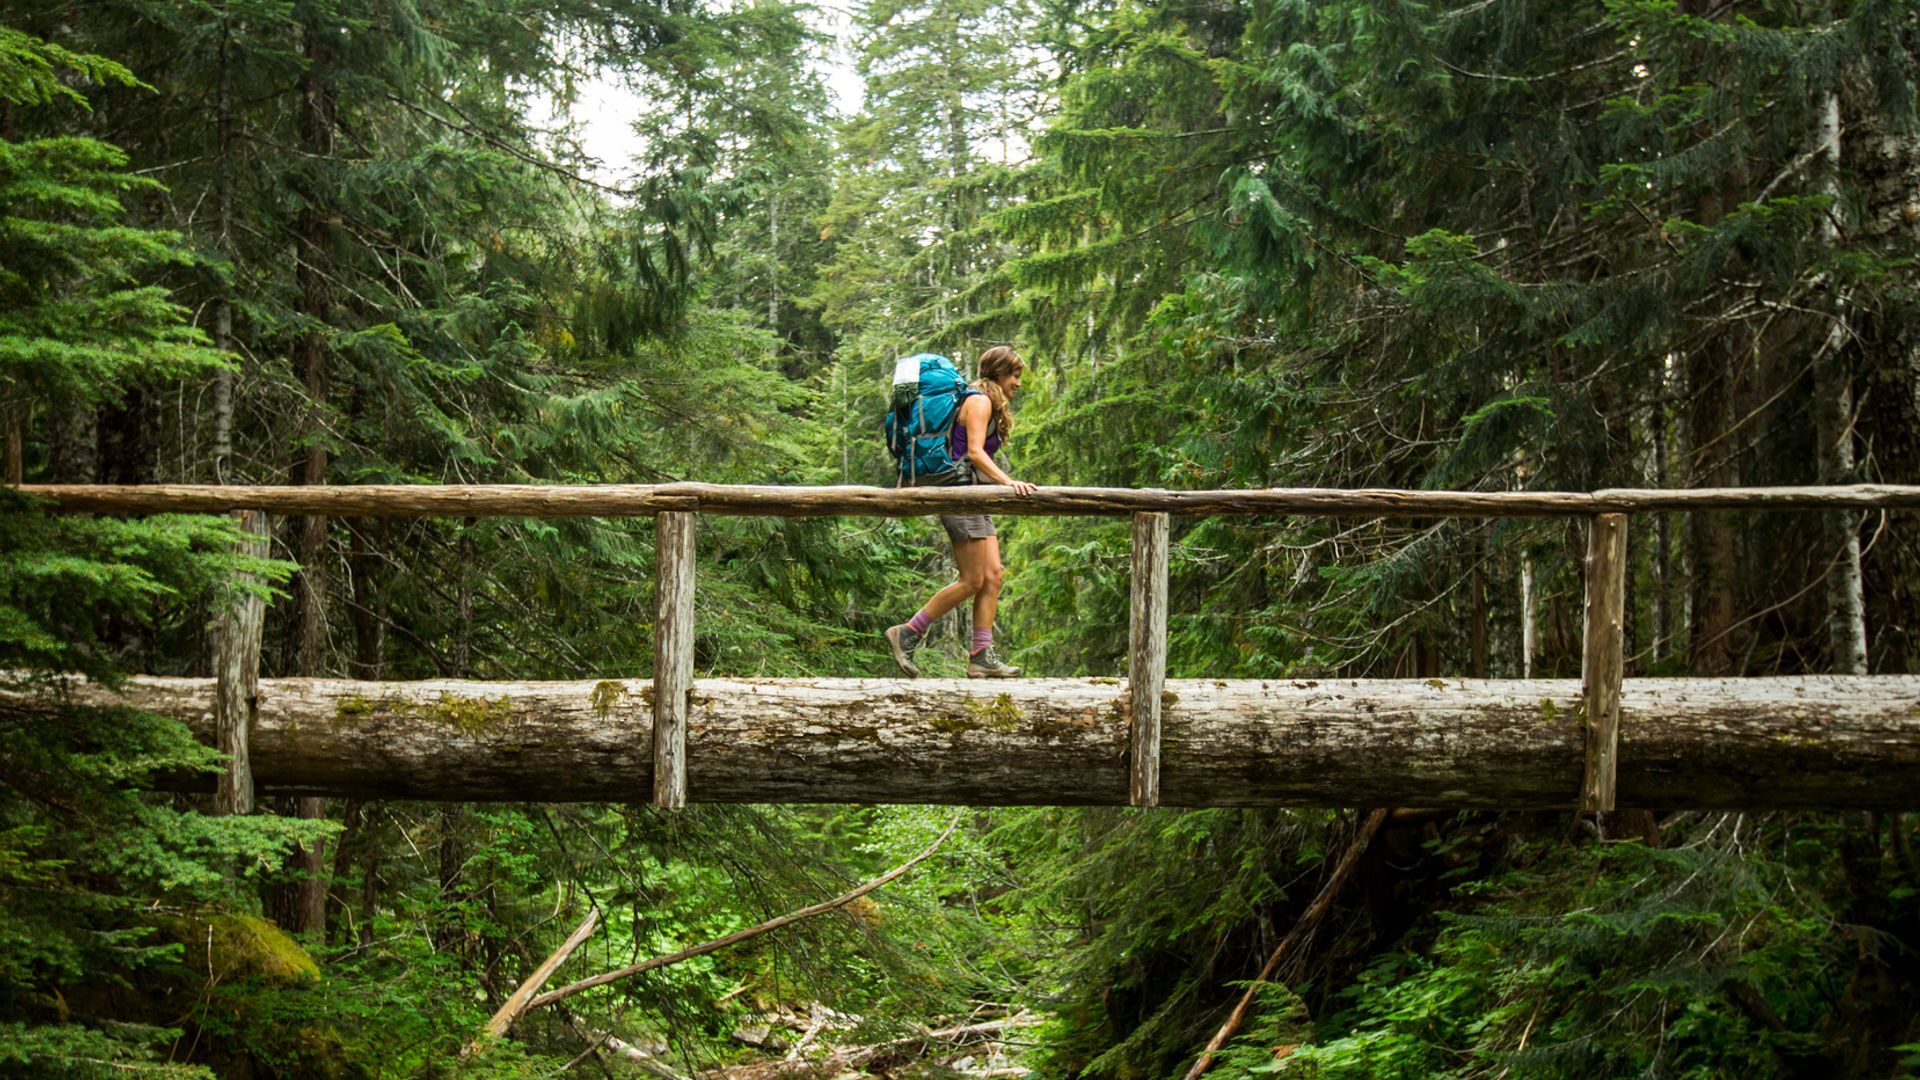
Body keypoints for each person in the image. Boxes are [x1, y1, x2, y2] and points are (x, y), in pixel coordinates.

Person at [885, 346, 1037, 678]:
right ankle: (908, 631)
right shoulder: (979, 401)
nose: (1018, 383)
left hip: (973, 495)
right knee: (972, 580)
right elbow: (975, 453)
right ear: (998, 373)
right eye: (1015, 375)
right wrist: (1010, 483)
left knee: (993, 575)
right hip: (958, 493)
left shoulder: (983, 401)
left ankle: (981, 655)